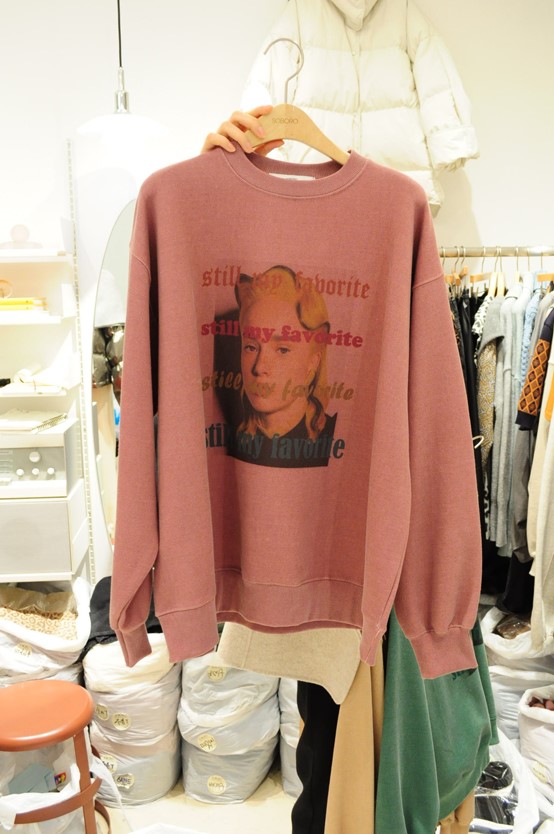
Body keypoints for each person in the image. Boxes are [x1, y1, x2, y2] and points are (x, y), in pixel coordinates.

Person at [232, 265, 337, 468]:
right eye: (251, 347)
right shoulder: (229, 433)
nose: (259, 367)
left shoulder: (335, 435)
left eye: (282, 350)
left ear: (313, 362)